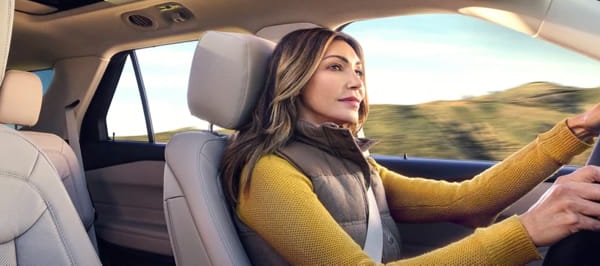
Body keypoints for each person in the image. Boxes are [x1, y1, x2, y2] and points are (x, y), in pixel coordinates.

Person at [221, 27, 600, 265]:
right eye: (335, 67)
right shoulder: (269, 172)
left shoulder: (355, 164)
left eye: (358, 70)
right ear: (295, 77)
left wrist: (577, 129)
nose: (356, 82)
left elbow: (468, 200)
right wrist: (527, 231)